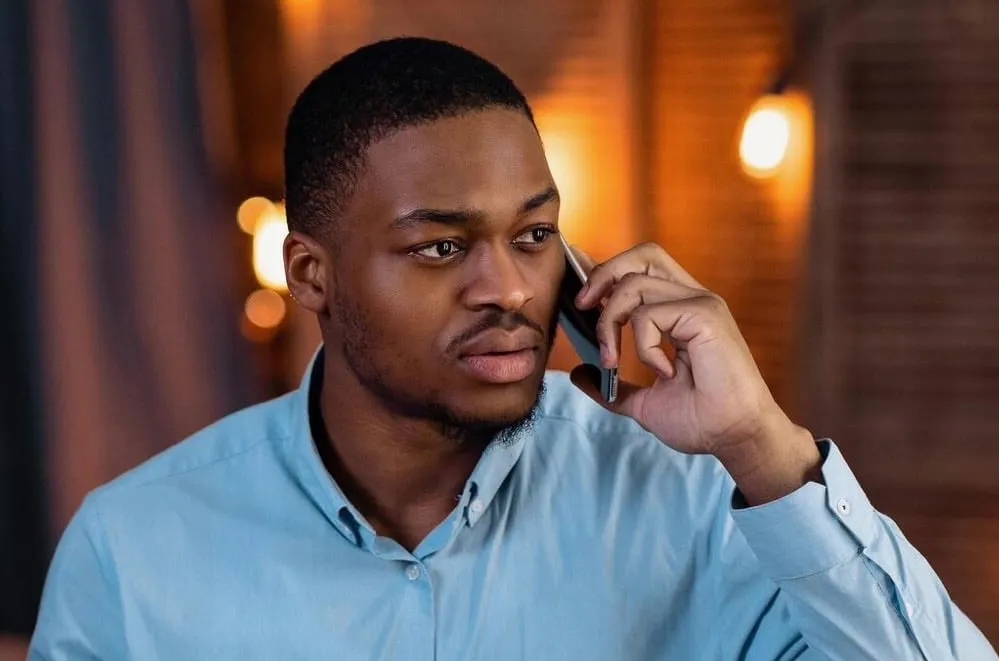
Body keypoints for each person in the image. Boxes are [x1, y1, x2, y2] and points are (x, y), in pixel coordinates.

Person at [29, 37, 996, 661]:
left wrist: (764, 446)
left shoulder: (700, 506)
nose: (507, 288)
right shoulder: (134, 549)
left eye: (533, 236)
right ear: (310, 275)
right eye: (442, 246)